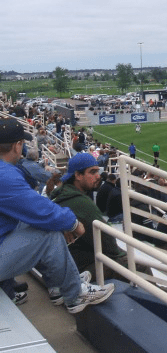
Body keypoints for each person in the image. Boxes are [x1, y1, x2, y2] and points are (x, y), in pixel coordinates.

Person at [0, 119, 114, 313]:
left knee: (45, 226)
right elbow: (38, 208)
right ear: (17, 145)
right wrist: (72, 223)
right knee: (48, 233)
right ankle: (74, 294)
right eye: (23, 143)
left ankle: (62, 285)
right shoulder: (5, 175)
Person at [51, 153, 146, 283]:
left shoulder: (62, 194)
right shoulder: (80, 202)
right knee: (139, 265)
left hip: (68, 262)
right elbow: (109, 244)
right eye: (92, 172)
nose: (98, 176)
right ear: (78, 175)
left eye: (98, 171)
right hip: (77, 267)